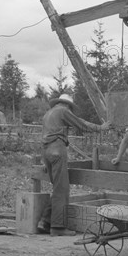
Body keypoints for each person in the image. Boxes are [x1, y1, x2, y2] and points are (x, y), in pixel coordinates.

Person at [38, 94, 110, 236]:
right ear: (68, 105)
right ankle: (57, 228)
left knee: (58, 187)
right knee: (62, 190)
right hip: (57, 149)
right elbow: (80, 123)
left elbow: (44, 136)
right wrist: (101, 128)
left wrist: (43, 159)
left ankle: (45, 221)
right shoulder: (63, 111)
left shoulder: (48, 114)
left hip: (47, 151)